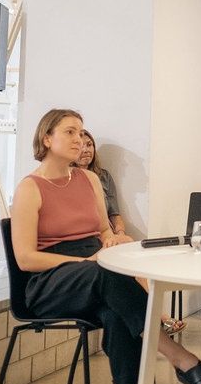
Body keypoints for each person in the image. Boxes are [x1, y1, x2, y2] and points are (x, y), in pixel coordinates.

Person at [11, 109, 201, 384]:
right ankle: (178, 357)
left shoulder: (89, 180)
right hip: (50, 279)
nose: (80, 139)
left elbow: (102, 230)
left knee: (118, 316)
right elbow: (25, 258)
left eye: (82, 132)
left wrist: (111, 241)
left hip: (97, 273)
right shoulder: (30, 188)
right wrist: (87, 261)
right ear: (46, 138)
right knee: (106, 273)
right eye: (70, 132)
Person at [76, 128, 186, 336]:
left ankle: (154, 317)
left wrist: (118, 232)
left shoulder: (103, 176)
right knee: (128, 266)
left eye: (90, 145)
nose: (86, 150)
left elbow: (115, 213)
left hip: (108, 235)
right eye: (81, 146)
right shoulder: (70, 179)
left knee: (134, 256)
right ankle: (158, 317)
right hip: (90, 239)